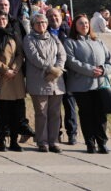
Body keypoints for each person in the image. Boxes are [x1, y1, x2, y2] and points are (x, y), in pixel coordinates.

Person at [65, 14, 111, 154]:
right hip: (81, 86)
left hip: (99, 85)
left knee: (101, 115)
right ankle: (90, 143)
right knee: (86, 115)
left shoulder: (98, 42)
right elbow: (71, 61)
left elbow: (110, 62)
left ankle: (102, 142)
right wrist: (91, 70)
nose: (84, 25)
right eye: (81, 23)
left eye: (86, 23)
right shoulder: (70, 42)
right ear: (75, 26)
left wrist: (104, 70)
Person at [23, 13, 66, 153]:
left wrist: (58, 68)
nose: (41, 25)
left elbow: (62, 54)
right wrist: (50, 68)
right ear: (33, 25)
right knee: (41, 113)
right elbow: (34, 58)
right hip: (39, 81)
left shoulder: (53, 37)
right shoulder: (28, 38)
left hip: (56, 81)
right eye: (38, 22)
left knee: (55, 113)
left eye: (43, 22)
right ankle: (42, 142)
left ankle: (54, 141)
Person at [0, 10, 25, 152]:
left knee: (16, 112)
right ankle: (2, 141)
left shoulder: (14, 34)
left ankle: (14, 141)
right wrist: (4, 70)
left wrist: (14, 69)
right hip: (1, 77)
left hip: (16, 78)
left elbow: (20, 54)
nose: (1, 21)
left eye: (4, 19)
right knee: (2, 113)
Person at [47, 8, 77, 145]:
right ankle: (56, 133)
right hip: (52, 73)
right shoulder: (44, 32)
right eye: (50, 16)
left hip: (68, 73)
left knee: (69, 104)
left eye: (56, 15)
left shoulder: (70, 32)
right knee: (54, 106)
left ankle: (72, 133)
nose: (54, 18)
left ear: (61, 16)